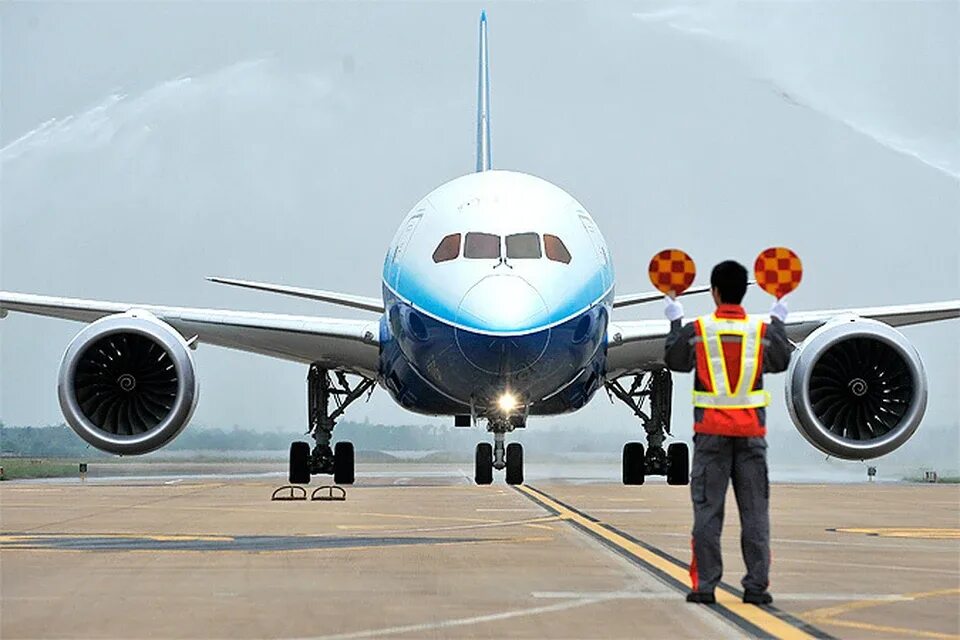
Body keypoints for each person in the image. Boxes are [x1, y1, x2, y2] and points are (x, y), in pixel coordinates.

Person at [663, 260, 793, 605]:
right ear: (743, 292)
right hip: (751, 436)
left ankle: (705, 587)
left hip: (710, 437)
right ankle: (755, 588)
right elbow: (781, 361)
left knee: (707, 515)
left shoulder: (699, 330)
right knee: (755, 515)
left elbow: (675, 360)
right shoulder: (760, 332)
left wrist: (675, 320)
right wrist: (778, 320)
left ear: (714, 292)